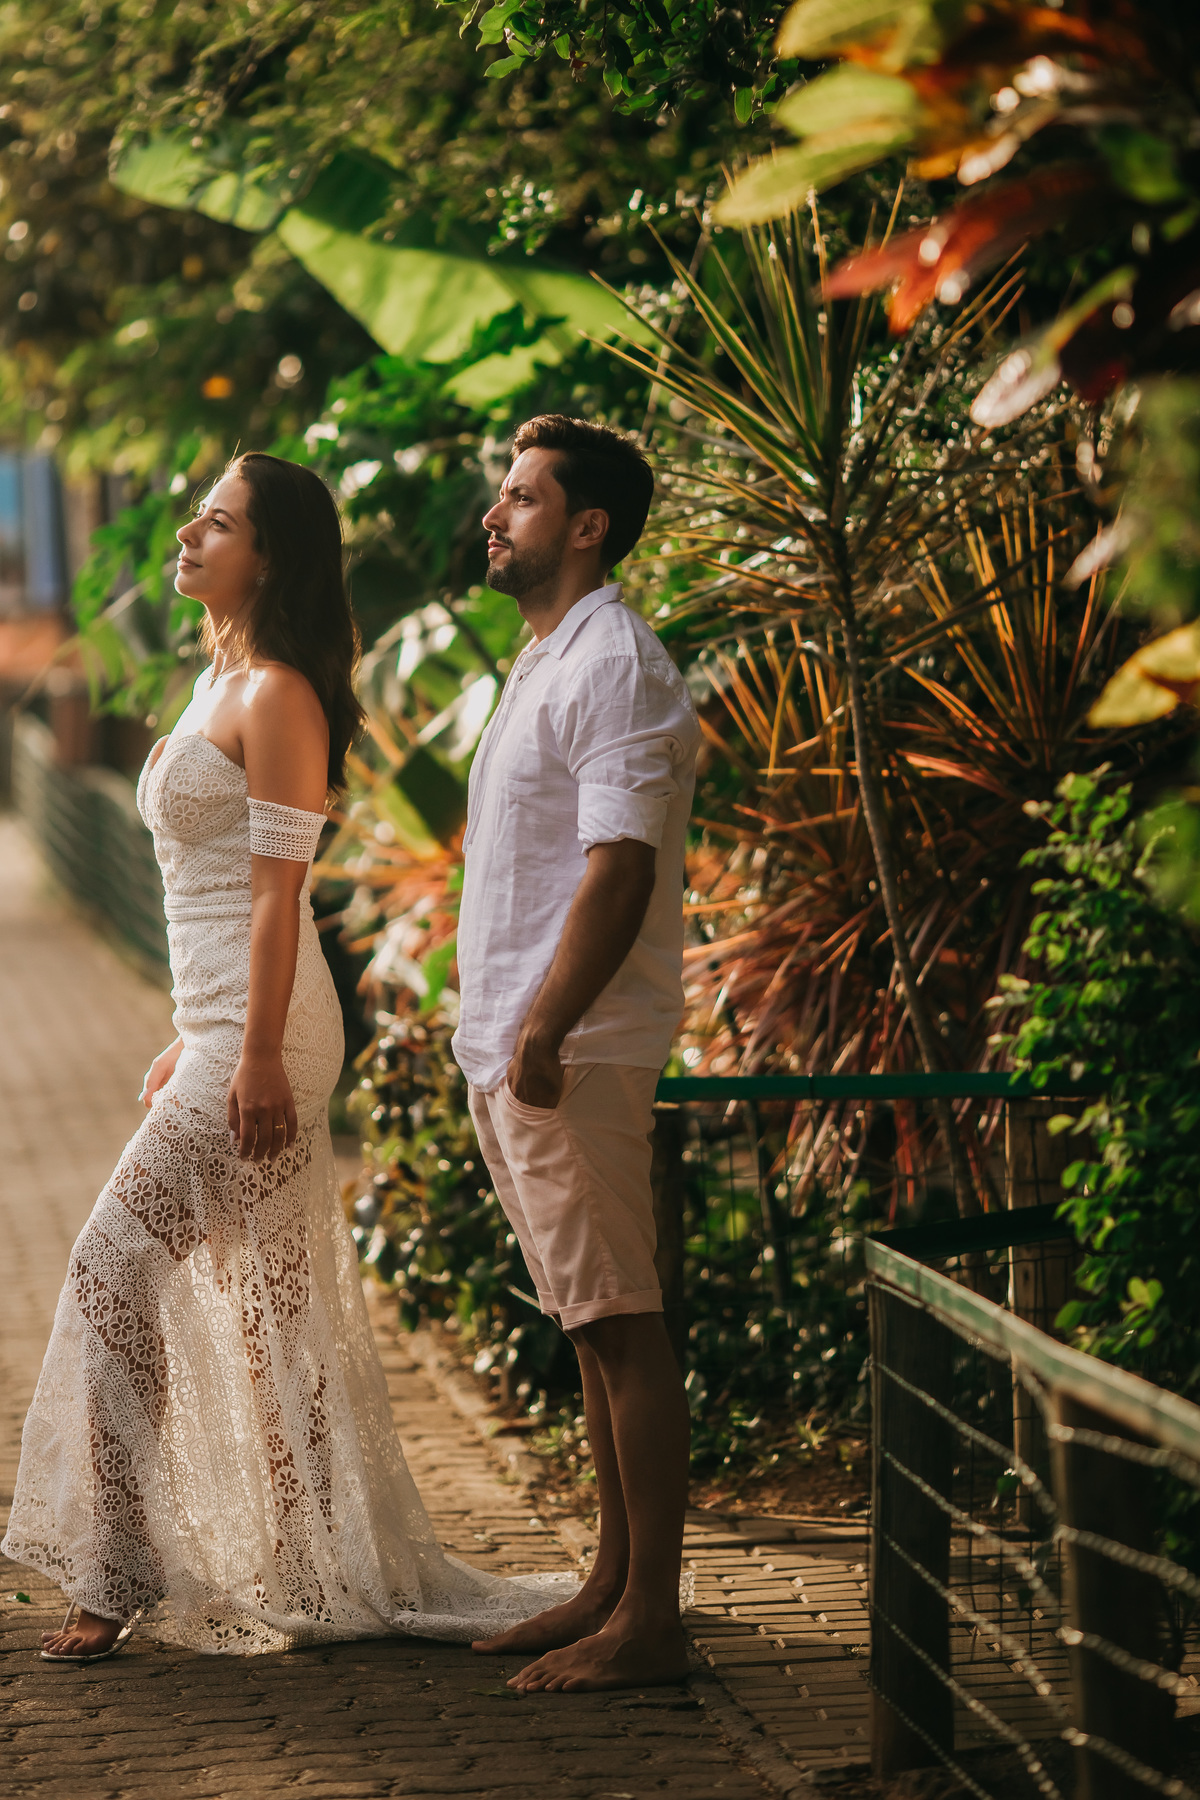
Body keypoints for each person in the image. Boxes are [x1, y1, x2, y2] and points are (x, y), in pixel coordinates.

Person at [3, 452, 573, 1663]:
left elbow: (278, 903)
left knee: (111, 1270)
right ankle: (321, 1566)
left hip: (268, 1033)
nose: (186, 535)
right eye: (194, 515)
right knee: (276, 1314)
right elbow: (202, 898)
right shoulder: (220, 678)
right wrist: (192, 1035)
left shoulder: (279, 697)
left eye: (216, 522)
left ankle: (112, 1573)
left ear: (269, 555)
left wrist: (254, 1052)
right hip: (220, 1028)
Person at [456, 415, 701, 1693]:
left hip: (573, 1047)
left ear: (587, 524)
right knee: (591, 1326)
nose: (495, 515)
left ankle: (651, 1622)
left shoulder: (616, 663)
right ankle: (610, 1588)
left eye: (522, 495)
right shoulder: (551, 656)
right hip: (522, 1047)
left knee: (621, 1324)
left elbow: (621, 867)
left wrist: (544, 1030)